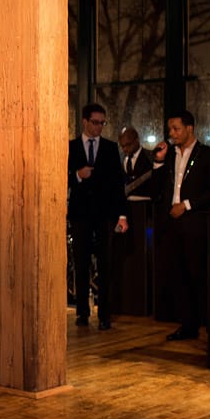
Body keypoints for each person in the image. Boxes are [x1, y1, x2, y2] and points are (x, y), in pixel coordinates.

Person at [151, 110, 210, 341]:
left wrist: (188, 205)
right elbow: (158, 189)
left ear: (189, 128)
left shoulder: (208, 154)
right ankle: (188, 325)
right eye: (170, 129)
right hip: (171, 223)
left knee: (198, 274)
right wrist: (158, 162)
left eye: (176, 128)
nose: (172, 134)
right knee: (177, 274)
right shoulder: (170, 155)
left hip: (194, 222)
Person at [67, 104, 128, 330]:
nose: (99, 127)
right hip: (80, 214)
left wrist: (122, 215)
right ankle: (82, 312)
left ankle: (105, 315)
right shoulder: (71, 147)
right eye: (95, 122)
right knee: (81, 263)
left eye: (103, 123)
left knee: (106, 264)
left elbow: (117, 185)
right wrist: (78, 176)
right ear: (85, 121)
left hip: (104, 215)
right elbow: (61, 178)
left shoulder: (110, 148)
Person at [118, 126, 153, 197]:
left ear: (137, 140)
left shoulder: (150, 157)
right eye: (122, 146)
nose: (125, 149)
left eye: (128, 145)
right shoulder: (121, 159)